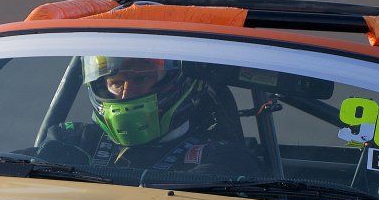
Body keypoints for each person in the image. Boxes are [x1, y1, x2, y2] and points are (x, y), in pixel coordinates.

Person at [38, 56, 254, 175]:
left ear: (178, 83)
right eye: (116, 83)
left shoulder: (220, 157)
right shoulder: (72, 140)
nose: (126, 95)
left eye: (140, 80)